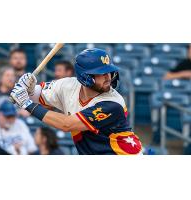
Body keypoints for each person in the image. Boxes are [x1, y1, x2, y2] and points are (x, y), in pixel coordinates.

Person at [10, 48, 142, 155]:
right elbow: (37, 95)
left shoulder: (113, 104)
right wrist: (29, 88)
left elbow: (67, 125)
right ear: (85, 76)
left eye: (108, 71)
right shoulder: (67, 85)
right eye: (101, 73)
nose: (108, 77)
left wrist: (27, 104)